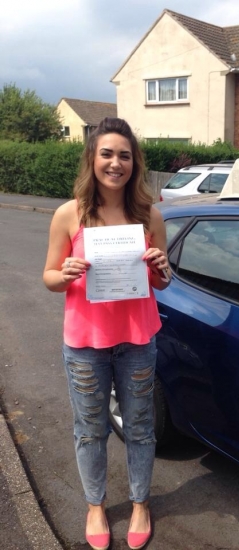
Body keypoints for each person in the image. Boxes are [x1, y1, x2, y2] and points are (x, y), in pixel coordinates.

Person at [43, 117, 170, 550]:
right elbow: (48, 276)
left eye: (125, 155)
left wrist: (162, 271)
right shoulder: (69, 213)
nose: (116, 163)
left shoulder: (149, 215)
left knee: (139, 426)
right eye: (107, 154)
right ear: (92, 158)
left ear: (135, 163)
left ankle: (139, 502)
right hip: (84, 345)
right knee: (89, 430)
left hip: (137, 340)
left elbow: (161, 280)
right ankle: (95, 505)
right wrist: (65, 273)